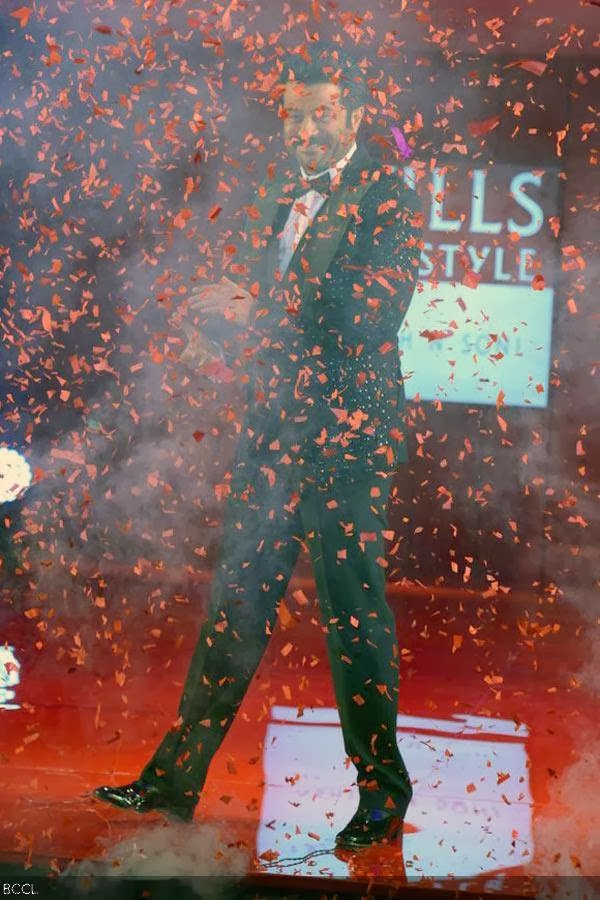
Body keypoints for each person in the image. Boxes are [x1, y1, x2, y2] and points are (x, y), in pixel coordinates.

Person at [94, 42, 424, 849]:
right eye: (293, 114)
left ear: (351, 116)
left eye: (320, 113)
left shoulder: (390, 192)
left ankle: (384, 794)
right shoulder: (281, 195)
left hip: (348, 436)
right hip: (274, 431)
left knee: (353, 615)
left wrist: (260, 310)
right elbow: (271, 318)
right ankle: (174, 780)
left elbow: (366, 319)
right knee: (234, 604)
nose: (304, 128)